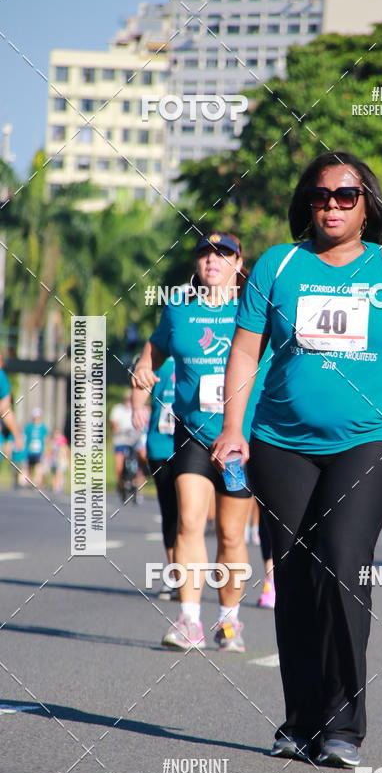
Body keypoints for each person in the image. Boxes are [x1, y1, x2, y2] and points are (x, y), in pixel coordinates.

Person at [212, 151, 382, 767]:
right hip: (280, 443)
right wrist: (233, 428)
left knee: (344, 565)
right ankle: (300, 720)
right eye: (322, 196)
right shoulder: (278, 264)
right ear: (306, 202)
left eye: (347, 196)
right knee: (293, 578)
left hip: (368, 442)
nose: (333, 206)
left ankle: (343, 724)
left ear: (367, 203)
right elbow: (243, 354)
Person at [132, 231, 268, 652]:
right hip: (191, 433)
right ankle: (189, 620)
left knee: (231, 535)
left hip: (240, 440)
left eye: (223, 253)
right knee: (189, 520)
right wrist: (142, 373)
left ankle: (229, 622)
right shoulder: (178, 312)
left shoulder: (257, 311)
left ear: (238, 263)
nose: (212, 260)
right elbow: (153, 352)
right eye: (205, 254)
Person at [132, 356, 178, 599]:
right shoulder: (157, 359)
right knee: (170, 510)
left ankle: (188, 571)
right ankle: (174, 573)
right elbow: (139, 382)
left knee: (191, 515)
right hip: (161, 445)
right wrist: (137, 406)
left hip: (194, 444)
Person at [109, 393, 142, 500]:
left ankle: (137, 484)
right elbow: (113, 422)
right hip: (121, 441)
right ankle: (121, 485)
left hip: (134, 440)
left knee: (141, 458)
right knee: (119, 464)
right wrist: (115, 427)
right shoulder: (118, 409)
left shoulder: (138, 409)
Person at [24, 408, 48, 488]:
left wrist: (47, 450)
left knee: (38, 467)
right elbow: (25, 438)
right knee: (29, 467)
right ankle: (29, 482)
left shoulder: (43, 427)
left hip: (39, 451)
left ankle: (37, 483)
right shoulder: (29, 427)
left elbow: (46, 439)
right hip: (30, 451)